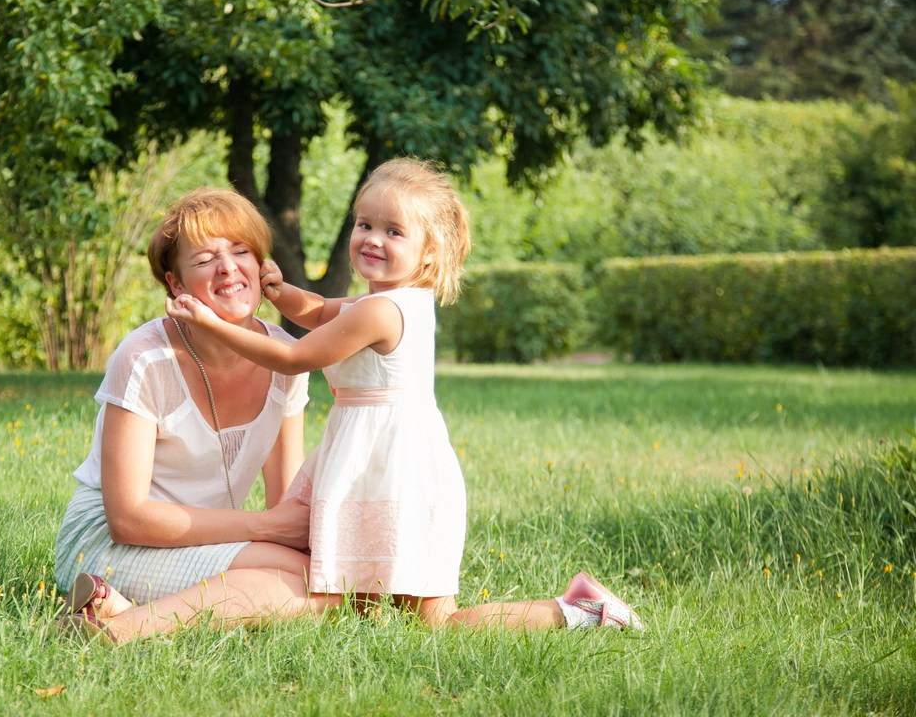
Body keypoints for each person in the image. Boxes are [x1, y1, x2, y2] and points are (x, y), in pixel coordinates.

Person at [168, 158, 643, 631]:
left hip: (392, 471)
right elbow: (319, 312)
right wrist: (280, 292)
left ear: (429, 253)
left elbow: (295, 357)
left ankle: (578, 613)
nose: (373, 238)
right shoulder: (388, 301)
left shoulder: (379, 311)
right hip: (379, 461)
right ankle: (575, 609)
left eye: (394, 232)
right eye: (365, 224)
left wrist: (212, 323)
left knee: (438, 622)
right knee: (361, 602)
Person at [55, 187, 342, 642]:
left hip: (202, 539)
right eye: (206, 258)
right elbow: (127, 517)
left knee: (325, 577)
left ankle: (113, 607)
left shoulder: (286, 359)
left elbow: (282, 502)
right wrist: (266, 531)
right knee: (320, 588)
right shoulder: (145, 358)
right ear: (176, 284)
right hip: (108, 544)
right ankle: (121, 631)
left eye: (241, 251)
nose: (228, 267)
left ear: (261, 265)